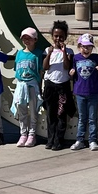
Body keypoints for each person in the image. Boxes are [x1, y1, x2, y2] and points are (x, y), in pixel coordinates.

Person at [71, 33, 98, 151]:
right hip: (80, 92)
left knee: (92, 118)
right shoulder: (76, 58)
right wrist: (71, 71)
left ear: (92, 48)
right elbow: (71, 67)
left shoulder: (97, 58)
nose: (86, 49)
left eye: (89, 47)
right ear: (79, 47)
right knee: (82, 117)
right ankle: (80, 140)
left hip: (93, 93)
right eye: (83, 47)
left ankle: (93, 140)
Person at [42, 20, 75, 150]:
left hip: (63, 85)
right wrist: (50, 53)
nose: (58, 39)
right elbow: (45, 67)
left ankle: (58, 140)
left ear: (65, 37)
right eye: (56, 36)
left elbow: (67, 66)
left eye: (61, 36)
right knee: (51, 114)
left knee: (61, 113)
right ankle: (50, 139)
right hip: (50, 85)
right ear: (52, 36)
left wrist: (64, 52)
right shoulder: (47, 50)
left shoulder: (69, 51)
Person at [13, 28, 44, 147]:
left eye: (29, 38)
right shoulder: (19, 53)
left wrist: (40, 87)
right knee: (22, 110)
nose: (27, 40)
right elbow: (17, 69)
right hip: (21, 85)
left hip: (32, 84)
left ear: (35, 39)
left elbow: (40, 71)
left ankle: (32, 134)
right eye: (24, 38)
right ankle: (23, 133)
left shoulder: (38, 54)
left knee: (33, 110)